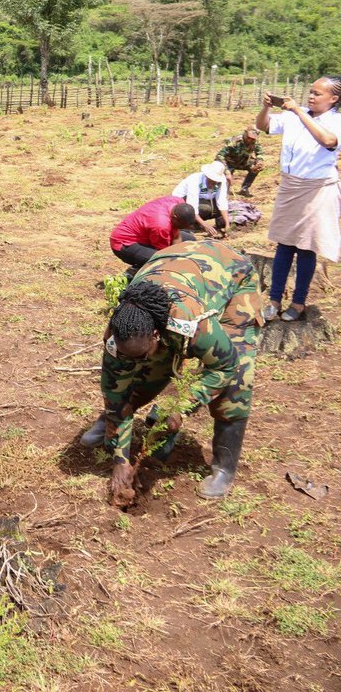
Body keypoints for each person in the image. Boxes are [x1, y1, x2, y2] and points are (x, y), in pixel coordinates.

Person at [84, 241, 261, 506]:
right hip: (171, 262)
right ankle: (112, 425)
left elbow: (225, 365)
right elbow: (115, 390)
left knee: (236, 383)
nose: (137, 360)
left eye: (143, 352)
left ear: (157, 333)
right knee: (147, 370)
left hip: (230, 274)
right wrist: (120, 460)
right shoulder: (119, 334)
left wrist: (181, 406)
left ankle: (224, 467)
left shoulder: (190, 323)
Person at [256, 78, 341, 322]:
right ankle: (273, 300)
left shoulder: (336, 121)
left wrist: (297, 112)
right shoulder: (296, 114)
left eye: (317, 93)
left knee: (306, 246)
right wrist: (266, 108)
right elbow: (264, 126)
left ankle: (298, 302)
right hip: (290, 185)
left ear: (333, 99)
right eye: (310, 92)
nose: (311, 97)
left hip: (317, 189)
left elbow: (328, 141)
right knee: (284, 243)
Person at [108, 196, 197, 274]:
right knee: (162, 261)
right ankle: (135, 272)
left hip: (147, 233)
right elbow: (166, 253)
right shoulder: (161, 225)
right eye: (181, 226)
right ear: (175, 218)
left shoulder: (177, 201)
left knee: (190, 241)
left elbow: (177, 236)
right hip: (124, 243)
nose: (181, 229)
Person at [172, 161, 230, 237]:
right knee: (206, 208)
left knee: (218, 210)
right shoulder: (195, 180)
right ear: (206, 176)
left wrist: (227, 224)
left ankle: (198, 222)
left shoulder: (221, 182)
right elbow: (192, 206)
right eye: (210, 181)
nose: (211, 184)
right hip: (181, 203)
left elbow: (222, 202)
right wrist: (205, 225)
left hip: (202, 200)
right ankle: (190, 224)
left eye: (214, 182)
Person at [217, 128, 264, 197]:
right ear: (245, 133)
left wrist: (259, 161)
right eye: (248, 138)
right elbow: (220, 156)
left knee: (256, 168)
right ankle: (224, 189)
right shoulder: (234, 142)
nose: (250, 140)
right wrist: (226, 171)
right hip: (230, 163)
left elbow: (259, 153)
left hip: (243, 162)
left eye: (253, 139)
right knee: (224, 187)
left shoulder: (255, 141)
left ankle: (244, 189)